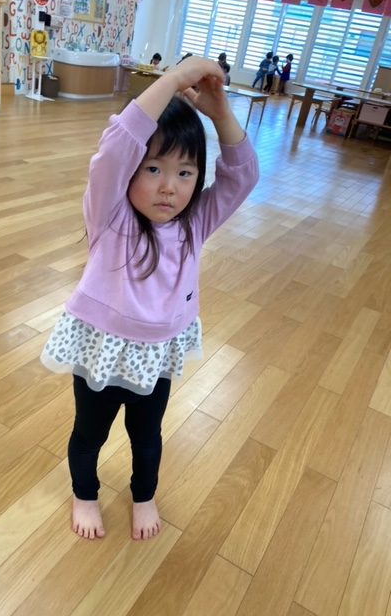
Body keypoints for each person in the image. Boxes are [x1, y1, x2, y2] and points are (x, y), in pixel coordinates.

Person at [40, 56, 259, 541]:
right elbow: (115, 150)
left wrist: (221, 113)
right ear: (131, 172)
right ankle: (84, 493)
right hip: (100, 352)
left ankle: (144, 495)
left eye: (185, 173)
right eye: (154, 168)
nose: (168, 188)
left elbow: (242, 177)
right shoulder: (110, 214)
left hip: (155, 357)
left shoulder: (194, 224)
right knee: (89, 434)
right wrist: (173, 79)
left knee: (147, 437)